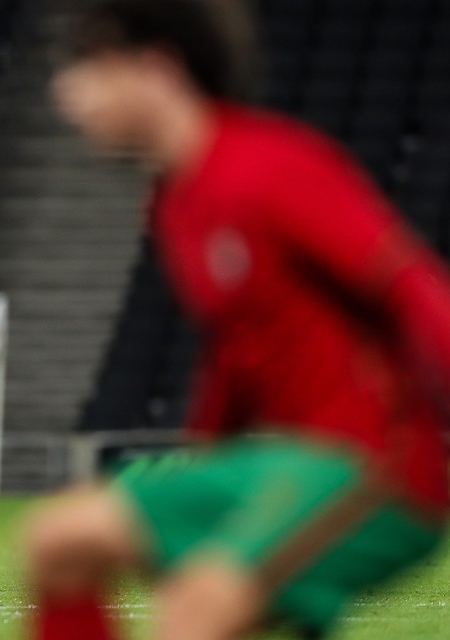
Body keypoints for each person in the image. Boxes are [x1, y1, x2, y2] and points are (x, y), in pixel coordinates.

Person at [23, 1, 450, 639]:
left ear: (157, 68)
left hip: (382, 462)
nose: (67, 93)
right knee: (61, 539)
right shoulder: (176, 200)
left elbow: (413, 287)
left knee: (198, 608)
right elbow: (235, 353)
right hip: (289, 463)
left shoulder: (272, 165)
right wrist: (203, 467)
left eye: (87, 67)